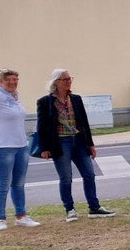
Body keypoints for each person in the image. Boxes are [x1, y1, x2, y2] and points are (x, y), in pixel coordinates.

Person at [37, 69, 115, 220]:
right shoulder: (46, 102)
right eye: (65, 79)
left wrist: (90, 144)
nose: (69, 81)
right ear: (56, 82)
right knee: (66, 177)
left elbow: (84, 123)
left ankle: (94, 207)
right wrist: (44, 148)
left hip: (78, 141)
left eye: (69, 78)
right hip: (61, 143)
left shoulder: (76, 99)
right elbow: (41, 126)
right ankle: (69, 209)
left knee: (89, 174)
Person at [0, 69, 39, 230]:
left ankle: (21, 216)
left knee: (19, 183)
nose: (12, 82)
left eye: (15, 79)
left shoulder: (15, 97)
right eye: (8, 79)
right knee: (3, 184)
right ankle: (0, 219)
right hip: (1, 147)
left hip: (20, 145)